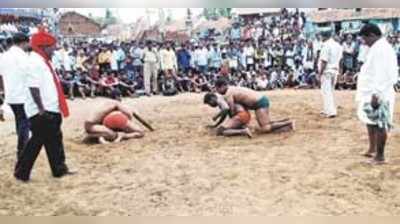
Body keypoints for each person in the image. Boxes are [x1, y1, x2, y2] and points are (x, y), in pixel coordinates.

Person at [14, 31, 74, 182]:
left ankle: (59, 169)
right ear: (44, 46)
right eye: (53, 46)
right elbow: (33, 87)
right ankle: (21, 172)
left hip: (51, 108)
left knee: (54, 140)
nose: (55, 49)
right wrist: (41, 109)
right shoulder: (34, 62)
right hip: (42, 110)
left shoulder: (44, 61)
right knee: (36, 142)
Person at [356, 24, 398, 165]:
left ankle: (380, 156)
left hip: (380, 93)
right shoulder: (378, 47)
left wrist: (377, 94)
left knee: (380, 123)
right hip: (371, 91)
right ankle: (372, 149)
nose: (364, 42)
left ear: (372, 35)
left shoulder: (381, 49)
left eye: (365, 39)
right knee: (370, 121)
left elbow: (381, 74)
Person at [214, 77, 295, 134]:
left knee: (265, 127)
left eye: (217, 89)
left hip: (259, 103)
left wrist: (232, 123)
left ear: (223, 86)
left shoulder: (228, 93)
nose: (217, 91)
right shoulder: (231, 89)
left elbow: (231, 110)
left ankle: (289, 122)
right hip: (260, 100)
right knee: (266, 124)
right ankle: (286, 122)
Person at [0, 33, 31, 160]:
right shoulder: (23, 56)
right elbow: (29, 74)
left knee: (20, 121)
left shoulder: (4, 56)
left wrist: (3, 90)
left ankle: (22, 147)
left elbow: (0, 76)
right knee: (24, 123)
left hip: (11, 95)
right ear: (23, 42)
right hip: (23, 94)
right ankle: (22, 151)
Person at [318, 30, 343, 118]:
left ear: (324, 36)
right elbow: (340, 60)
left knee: (326, 91)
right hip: (335, 70)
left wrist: (320, 73)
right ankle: (327, 109)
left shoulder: (326, 46)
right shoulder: (338, 45)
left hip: (327, 71)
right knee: (330, 91)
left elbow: (324, 61)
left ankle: (330, 111)